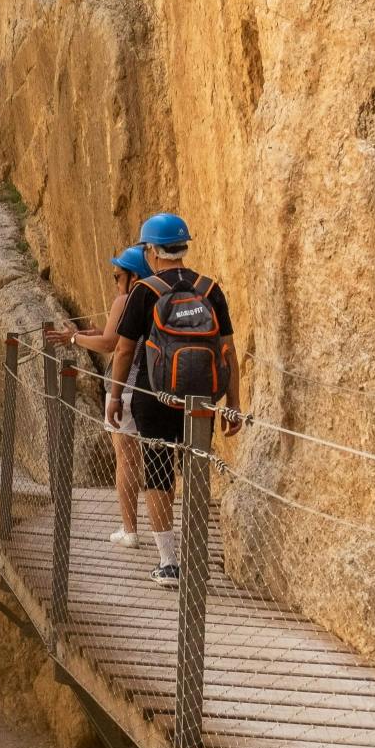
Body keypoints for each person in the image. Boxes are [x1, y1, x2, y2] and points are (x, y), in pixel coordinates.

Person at [108, 213, 242, 589]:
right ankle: (196, 553)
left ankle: (169, 562)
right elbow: (228, 351)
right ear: (183, 247)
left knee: (159, 471)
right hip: (201, 395)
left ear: (152, 249)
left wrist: (116, 396)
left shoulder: (145, 290)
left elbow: (123, 350)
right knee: (196, 468)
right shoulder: (209, 288)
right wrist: (233, 404)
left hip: (155, 394)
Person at [49, 246, 151, 548]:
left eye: (117, 275)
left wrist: (73, 338)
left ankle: (129, 529)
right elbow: (118, 336)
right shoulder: (155, 297)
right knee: (154, 460)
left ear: (133, 276)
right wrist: (93, 331)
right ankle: (162, 533)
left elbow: (110, 345)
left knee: (126, 460)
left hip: (125, 388)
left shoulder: (126, 299)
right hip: (150, 388)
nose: (115, 281)